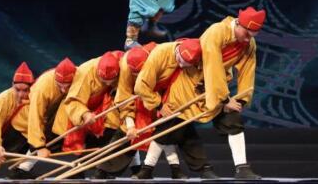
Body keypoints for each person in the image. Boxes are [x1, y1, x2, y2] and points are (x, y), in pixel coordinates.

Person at [92, 43, 186, 179]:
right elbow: (124, 98)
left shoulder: (157, 58)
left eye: (139, 72)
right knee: (127, 134)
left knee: (164, 133)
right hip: (137, 104)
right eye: (134, 73)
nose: (137, 76)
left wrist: (160, 103)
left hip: (160, 100)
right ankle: (105, 170)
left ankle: (173, 169)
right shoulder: (125, 68)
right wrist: (130, 125)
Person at [134, 39, 219, 179]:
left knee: (174, 128)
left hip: (179, 96)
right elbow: (141, 86)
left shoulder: (200, 56)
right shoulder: (160, 53)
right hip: (154, 95)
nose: (181, 65)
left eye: (186, 64)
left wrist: (204, 85)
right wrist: (159, 105)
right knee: (170, 130)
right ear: (178, 50)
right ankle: (197, 168)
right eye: (179, 60)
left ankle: (150, 169)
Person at [199, 6, 266, 179]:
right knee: (173, 126)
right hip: (191, 82)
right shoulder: (217, 32)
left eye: (252, 36)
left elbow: (247, 71)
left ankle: (242, 169)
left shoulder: (248, 43)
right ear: (238, 24)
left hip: (216, 87)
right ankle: (146, 166)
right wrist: (223, 99)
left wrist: (240, 100)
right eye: (246, 34)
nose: (248, 39)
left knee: (233, 120)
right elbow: (212, 66)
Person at [8, 58, 77, 178]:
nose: (64, 90)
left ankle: (22, 168)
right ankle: (21, 169)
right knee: (16, 147)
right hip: (27, 119)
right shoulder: (42, 88)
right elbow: (35, 118)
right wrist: (39, 147)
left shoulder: (79, 77)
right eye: (60, 86)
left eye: (67, 86)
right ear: (55, 79)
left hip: (51, 115)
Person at [61, 51, 124, 178]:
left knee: (120, 132)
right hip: (84, 110)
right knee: (85, 141)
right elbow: (73, 101)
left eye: (111, 80)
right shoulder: (85, 72)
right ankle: (78, 170)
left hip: (108, 105)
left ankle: (108, 170)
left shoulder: (122, 65)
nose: (107, 83)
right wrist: (84, 114)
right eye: (104, 80)